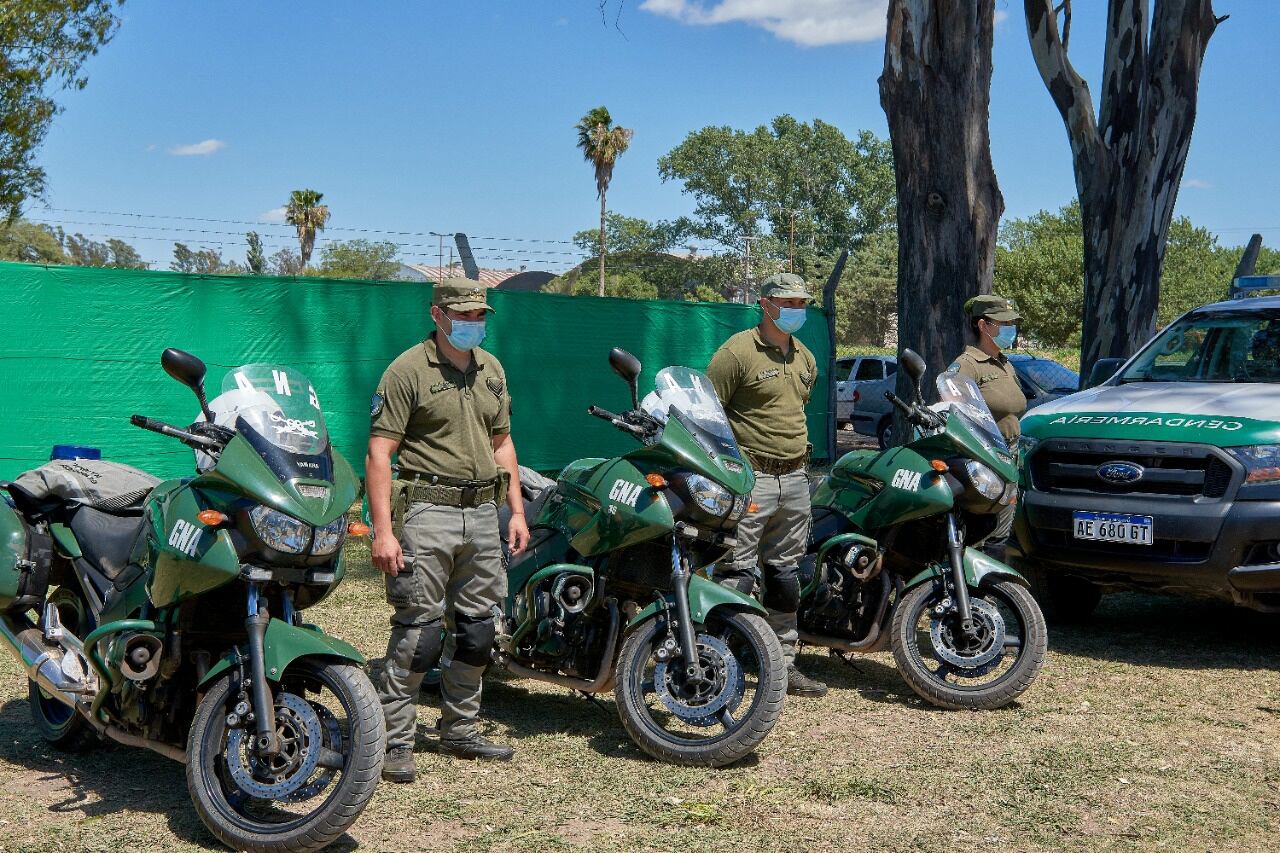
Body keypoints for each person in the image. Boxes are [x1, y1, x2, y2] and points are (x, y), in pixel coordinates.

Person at [366, 278, 531, 783]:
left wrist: (517, 512)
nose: (473, 324)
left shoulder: (492, 369)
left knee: (479, 633)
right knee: (420, 635)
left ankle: (460, 728)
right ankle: (395, 741)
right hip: (427, 514)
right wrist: (382, 531)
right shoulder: (407, 370)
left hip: (483, 513)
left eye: (480, 316)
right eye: (464, 315)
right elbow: (379, 452)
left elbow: (502, 444)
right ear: (436, 314)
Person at [706, 272, 827, 698]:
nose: (798, 310)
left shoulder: (806, 358)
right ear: (765, 304)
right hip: (749, 480)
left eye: (802, 303)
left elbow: (795, 410)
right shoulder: (735, 353)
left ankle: (784, 662)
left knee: (785, 575)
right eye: (789, 302)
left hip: (795, 478)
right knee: (736, 572)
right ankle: (717, 658)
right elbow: (709, 413)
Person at [948, 294, 1027, 556]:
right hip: (986, 459)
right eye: (1003, 323)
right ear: (983, 326)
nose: (1010, 329)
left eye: (1011, 323)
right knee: (984, 529)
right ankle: (972, 589)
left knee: (1002, 531)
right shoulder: (968, 365)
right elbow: (954, 409)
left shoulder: (1005, 364)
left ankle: (994, 590)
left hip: (1010, 456)